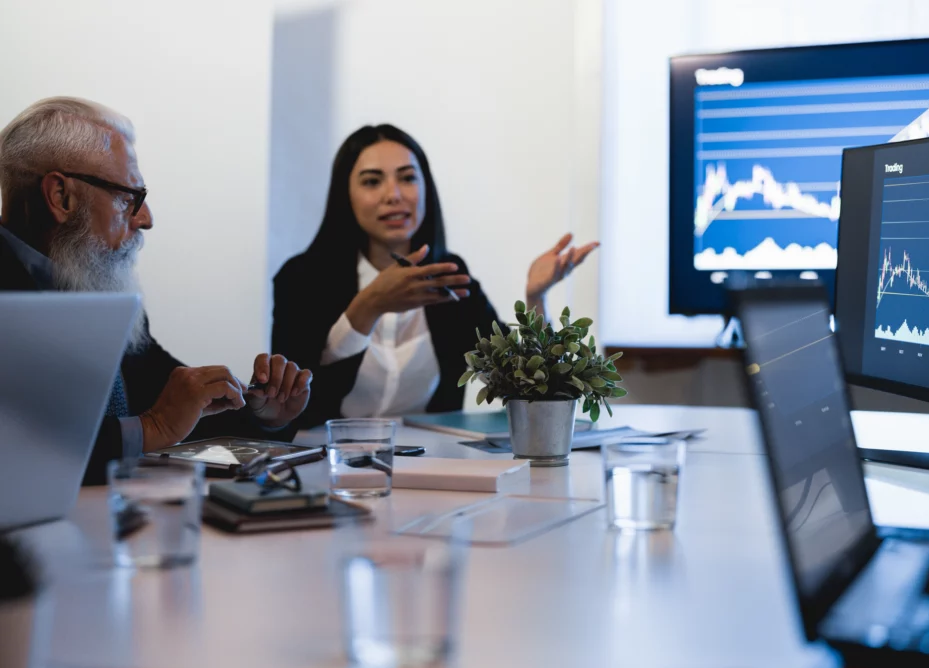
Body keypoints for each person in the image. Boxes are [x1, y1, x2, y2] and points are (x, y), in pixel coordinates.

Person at [0, 97, 314, 485]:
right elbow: (19, 449)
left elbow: (173, 405)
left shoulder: (95, 282)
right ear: (61, 197)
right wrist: (152, 427)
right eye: (129, 198)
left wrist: (262, 416)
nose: (145, 219)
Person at [272, 124, 597, 426]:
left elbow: (522, 387)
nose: (393, 195)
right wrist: (369, 304)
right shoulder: (301, 279)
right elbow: (288, 406)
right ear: (346, 195)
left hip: (432, 464)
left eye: (408, 178)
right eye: (372, 181)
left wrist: (536, 298)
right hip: (327, 460)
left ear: (426, 188)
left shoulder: (449, 275)